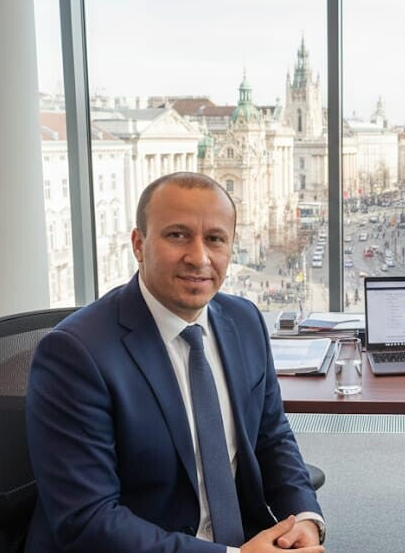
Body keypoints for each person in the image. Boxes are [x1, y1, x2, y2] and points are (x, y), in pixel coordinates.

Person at [26, 172, 325, 553]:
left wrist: (304, 517)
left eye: (215, 239)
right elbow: (88, 520)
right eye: (178, 235)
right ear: (139, 244)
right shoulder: (74, 354)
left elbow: (272, 436)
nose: (199, 258)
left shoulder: (245, 320)